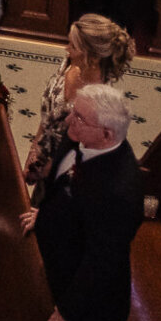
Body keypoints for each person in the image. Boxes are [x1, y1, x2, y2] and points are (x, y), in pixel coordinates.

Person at [20, 84, 143, 321]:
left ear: (106, 133)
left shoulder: (120, 191)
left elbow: (102, 260)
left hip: (93, 305)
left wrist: (69, 312)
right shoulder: (81, 139)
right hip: (64, 261)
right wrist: (43, 214)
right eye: (74, 111)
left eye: (79, 117)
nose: (69, 120)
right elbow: (64, 189)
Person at [24, 15, 134, 190]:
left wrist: (50, 169)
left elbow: (86, 153)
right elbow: (48, 118)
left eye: (73, 46)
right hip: (45, 155)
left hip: (67, 173)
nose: (67, 49)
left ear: (94, 58)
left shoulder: (100, 100)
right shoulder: (69, 64)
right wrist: (35, 150)